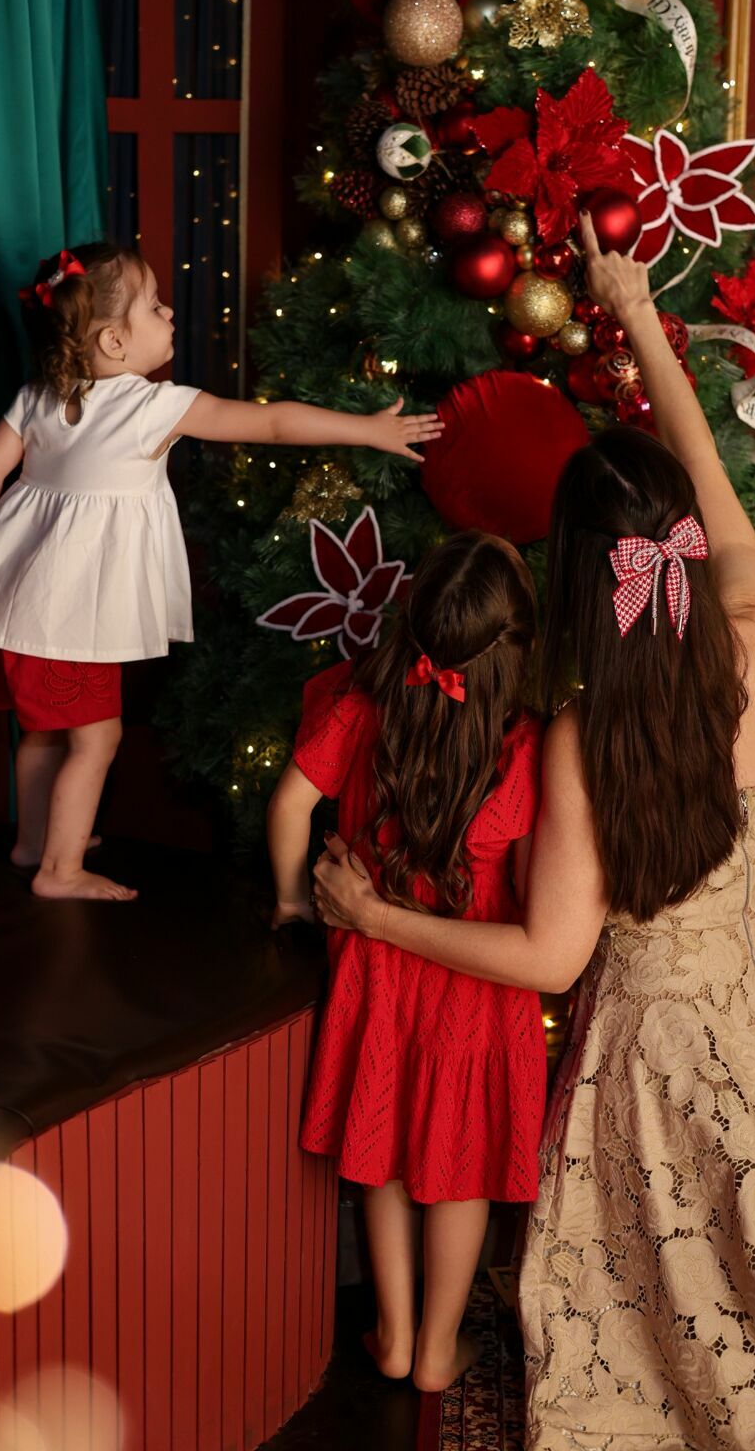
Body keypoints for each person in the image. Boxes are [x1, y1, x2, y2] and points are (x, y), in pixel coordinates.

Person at [314, 213, 755, 1445]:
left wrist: (371, 913)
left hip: (656, 1063)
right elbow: (711, 486)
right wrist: (639, 314)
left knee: (669, 1319)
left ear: (579, 577)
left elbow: (549, 958)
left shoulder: (579, 741)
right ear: (681, 549)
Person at [0, 242, 441, 902]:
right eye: (155, 306)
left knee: (42, 731)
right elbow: (272, 425)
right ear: (114, 342)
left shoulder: (40, 397)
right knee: (97, 740)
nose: (170, 314)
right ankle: (59, 870)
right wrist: (367, 429)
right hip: (69, 617)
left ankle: (35, 841)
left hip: (10, 605)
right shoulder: (151, 406)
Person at [267, 531, 547, 1393]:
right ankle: (434, 1348)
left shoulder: (360, 706)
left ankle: (390, 1334)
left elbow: (290, 803)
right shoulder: (524, 750)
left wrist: (290, 901)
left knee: (381, 1151)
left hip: (375, 981)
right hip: (474, 994)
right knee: (460, 1172)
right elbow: (532, 894)